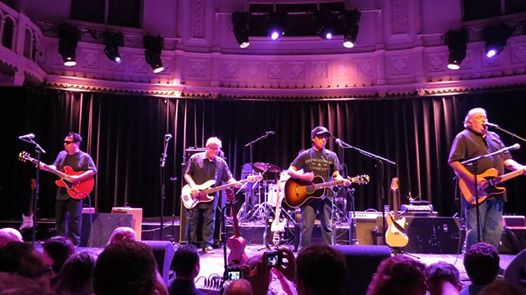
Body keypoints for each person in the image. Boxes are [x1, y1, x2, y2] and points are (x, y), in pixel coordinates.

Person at [448, 108, 525, 250]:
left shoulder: (494, 136)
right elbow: (453, 162)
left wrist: (521, 168)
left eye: (485, 116)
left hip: (497, 192)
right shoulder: (463, 136)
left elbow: (507, 160)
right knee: (475, 231)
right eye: (479, 117)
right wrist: (473, 179)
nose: (484, 119)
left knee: (494, 231)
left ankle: (490, 264)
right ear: (469, 123)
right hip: (475, 191)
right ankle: (473, 264)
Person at [287, 126, 350, 249]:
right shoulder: (306, 155)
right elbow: (290, 170)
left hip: (327, 194)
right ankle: (302, 254)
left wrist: (342, 180)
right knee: (307, 226)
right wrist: (303, 177)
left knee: (327, 226)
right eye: (320, 137)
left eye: (325, 137)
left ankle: (329, 253)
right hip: (308, 196)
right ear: (313, 138)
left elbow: (336, 175)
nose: (324, 140)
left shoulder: (332, 155)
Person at [39, 132, 97, 246]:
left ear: (77, 143)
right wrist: (45, 167)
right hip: (62, 191)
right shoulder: (62, 154)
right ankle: (61, 243)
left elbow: (93, 170)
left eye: (68, 142)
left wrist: (78, 177)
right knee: (59, 218)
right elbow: (54, 166)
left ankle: (75, 243)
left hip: (76, 191)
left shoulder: (85, 157)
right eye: (64, 142)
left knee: (74, 219)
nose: (65, 144)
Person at [184, 137, 239, 254]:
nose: (215, 151)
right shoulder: (195, 158)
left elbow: (228, 177)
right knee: (192, 220)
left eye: (217, 149)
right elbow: (187, 174)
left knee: (210, 220)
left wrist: (235, 182)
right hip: (194, 194)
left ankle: (207, 245)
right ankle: (191, 246)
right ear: (207, 147)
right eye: (213, 148)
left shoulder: (221, 162)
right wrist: (193, 186)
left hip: (212, 196)